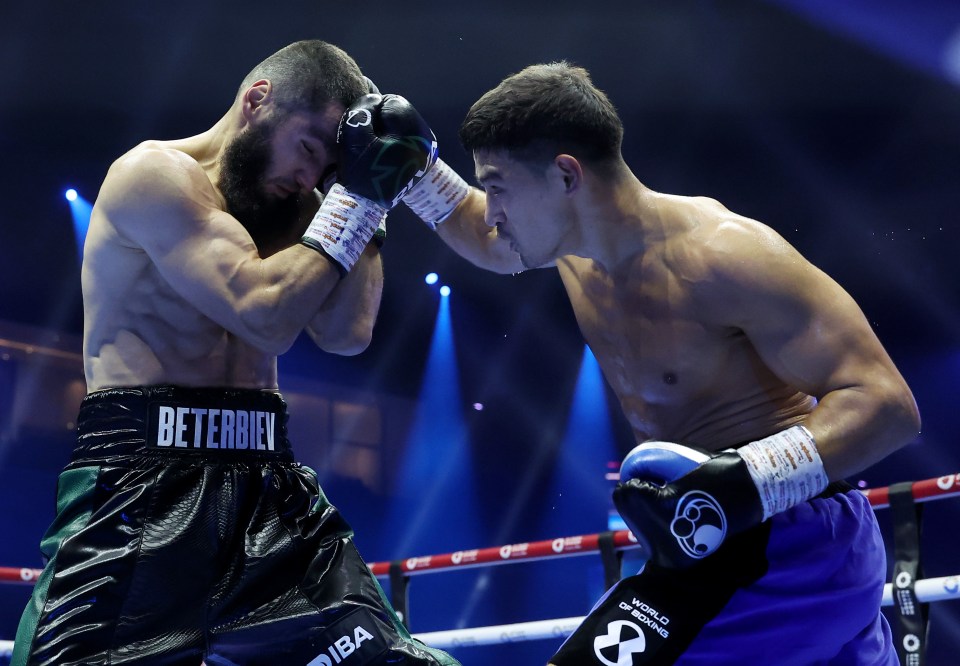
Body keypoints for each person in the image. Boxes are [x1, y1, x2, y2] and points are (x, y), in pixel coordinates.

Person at [392, 62, 921, 663]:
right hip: (712, 539)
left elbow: (887, 405)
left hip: (792, 544)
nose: (491, 211)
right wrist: (414, 172)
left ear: (566, 174)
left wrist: (748, 480)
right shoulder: (571, 248)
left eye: (500, 187)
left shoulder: (725, 255)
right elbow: (485, 241)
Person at [12, 40, 458, 666]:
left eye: (330, 166)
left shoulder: (302, 206)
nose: (310, 177)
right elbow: (265, 316)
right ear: (257, 101)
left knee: (390, 659)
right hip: (140, 488)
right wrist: (354, 195)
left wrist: (367, 193)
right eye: (308, 149)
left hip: (268, 492)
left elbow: (347, 332)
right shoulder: (154, 176)